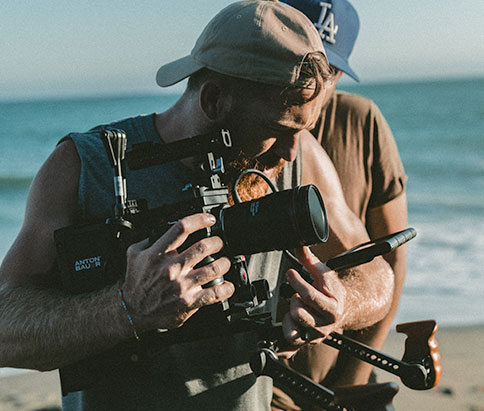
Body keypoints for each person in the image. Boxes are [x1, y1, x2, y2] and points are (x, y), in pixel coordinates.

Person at [0, 1, 394, 410]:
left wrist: (341, 304)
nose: (292, 152)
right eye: (277, 129)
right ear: (212, 100)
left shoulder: (299, 155)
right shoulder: (82, 167)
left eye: (304, 128)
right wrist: (125, 309)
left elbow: (377, 275)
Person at [273, 0, 408, 409]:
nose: (310, 81)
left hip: (340, 374)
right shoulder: (255, 123)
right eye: (298, 62)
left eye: (325, 70)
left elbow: (391, 259)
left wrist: (353, 377)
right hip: (263, 375)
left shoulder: (362, 121)